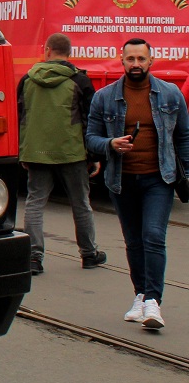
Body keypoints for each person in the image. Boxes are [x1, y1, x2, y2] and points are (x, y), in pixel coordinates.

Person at [86, 37, 189, 330]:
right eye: (130, 59)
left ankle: (153, 302)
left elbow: (183, 136)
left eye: (141, 59)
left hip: (159, 179)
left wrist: (188, 173)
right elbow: (90, 138)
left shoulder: (170, 95)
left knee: (153, 236)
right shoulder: (104, 97)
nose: (135, 64)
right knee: (133, 241)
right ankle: (140, 295)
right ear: (122, 61)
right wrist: (110, 144)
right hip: (122, 181)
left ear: (151, 61)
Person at [16, 32, 105, 275]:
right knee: (81, 203)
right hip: (72, 153)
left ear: (46, 51)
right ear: (69, 53)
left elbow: (21, 117)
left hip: (36, 152)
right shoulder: (80, 81)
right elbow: (90, 120)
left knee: (35, 203)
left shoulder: (27, 80)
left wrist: (24, 151)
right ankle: (88, 254)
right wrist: (93, 155)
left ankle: (34, 257)